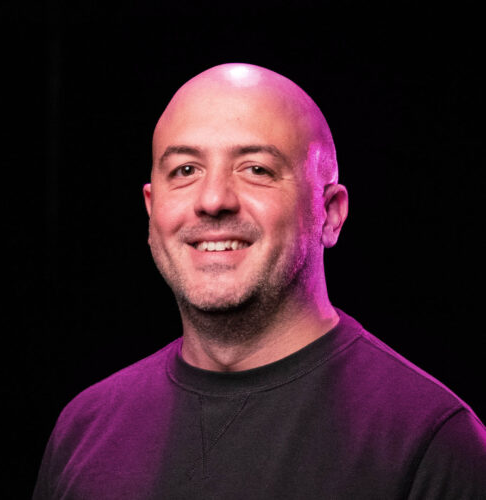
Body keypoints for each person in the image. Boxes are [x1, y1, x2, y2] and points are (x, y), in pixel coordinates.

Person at [33, 63, 486, 499]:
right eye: (185, 170)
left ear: (330, 214)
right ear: (151, 210)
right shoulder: (83, 430)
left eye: (256, 169)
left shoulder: (431, 441)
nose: (213, 200)